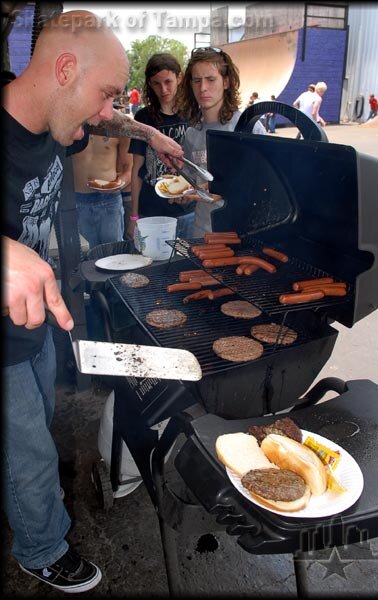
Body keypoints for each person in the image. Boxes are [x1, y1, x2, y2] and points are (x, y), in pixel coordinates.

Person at [2, 10, 183, 594]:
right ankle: (40, 548)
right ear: (63, 69)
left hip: (35, 317)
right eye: (105, 94)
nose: (106, 111)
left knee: (40, 423)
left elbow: (109, 126)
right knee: (26, 442)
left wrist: (151, 134)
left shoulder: (65, 118)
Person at [173, 47, 266, 238]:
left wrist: (227, 191)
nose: (203, 88)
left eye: (210, 79)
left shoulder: (248, 128)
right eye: (197, 81)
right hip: (202, 233)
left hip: (241, 233)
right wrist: (182, 193)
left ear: (226, 81)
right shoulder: (191, 134)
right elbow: (191, 179)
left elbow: (266, 186)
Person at [127, 53, 194, 241]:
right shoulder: (143, 118)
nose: (163, 89)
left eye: (168, 82)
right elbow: (137, 169)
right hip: (152, 212)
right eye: (156, 83)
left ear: (179, 78)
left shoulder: (192, 113)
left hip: (188, 211)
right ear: (149, 84)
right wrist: (134, 216)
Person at [72, 130, 133, 249]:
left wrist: (118, 184)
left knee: (113, 252)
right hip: (77, 199)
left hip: (110, 200)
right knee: (85, 253)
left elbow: (129, 169)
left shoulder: (118, 129)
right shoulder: (73, 124)